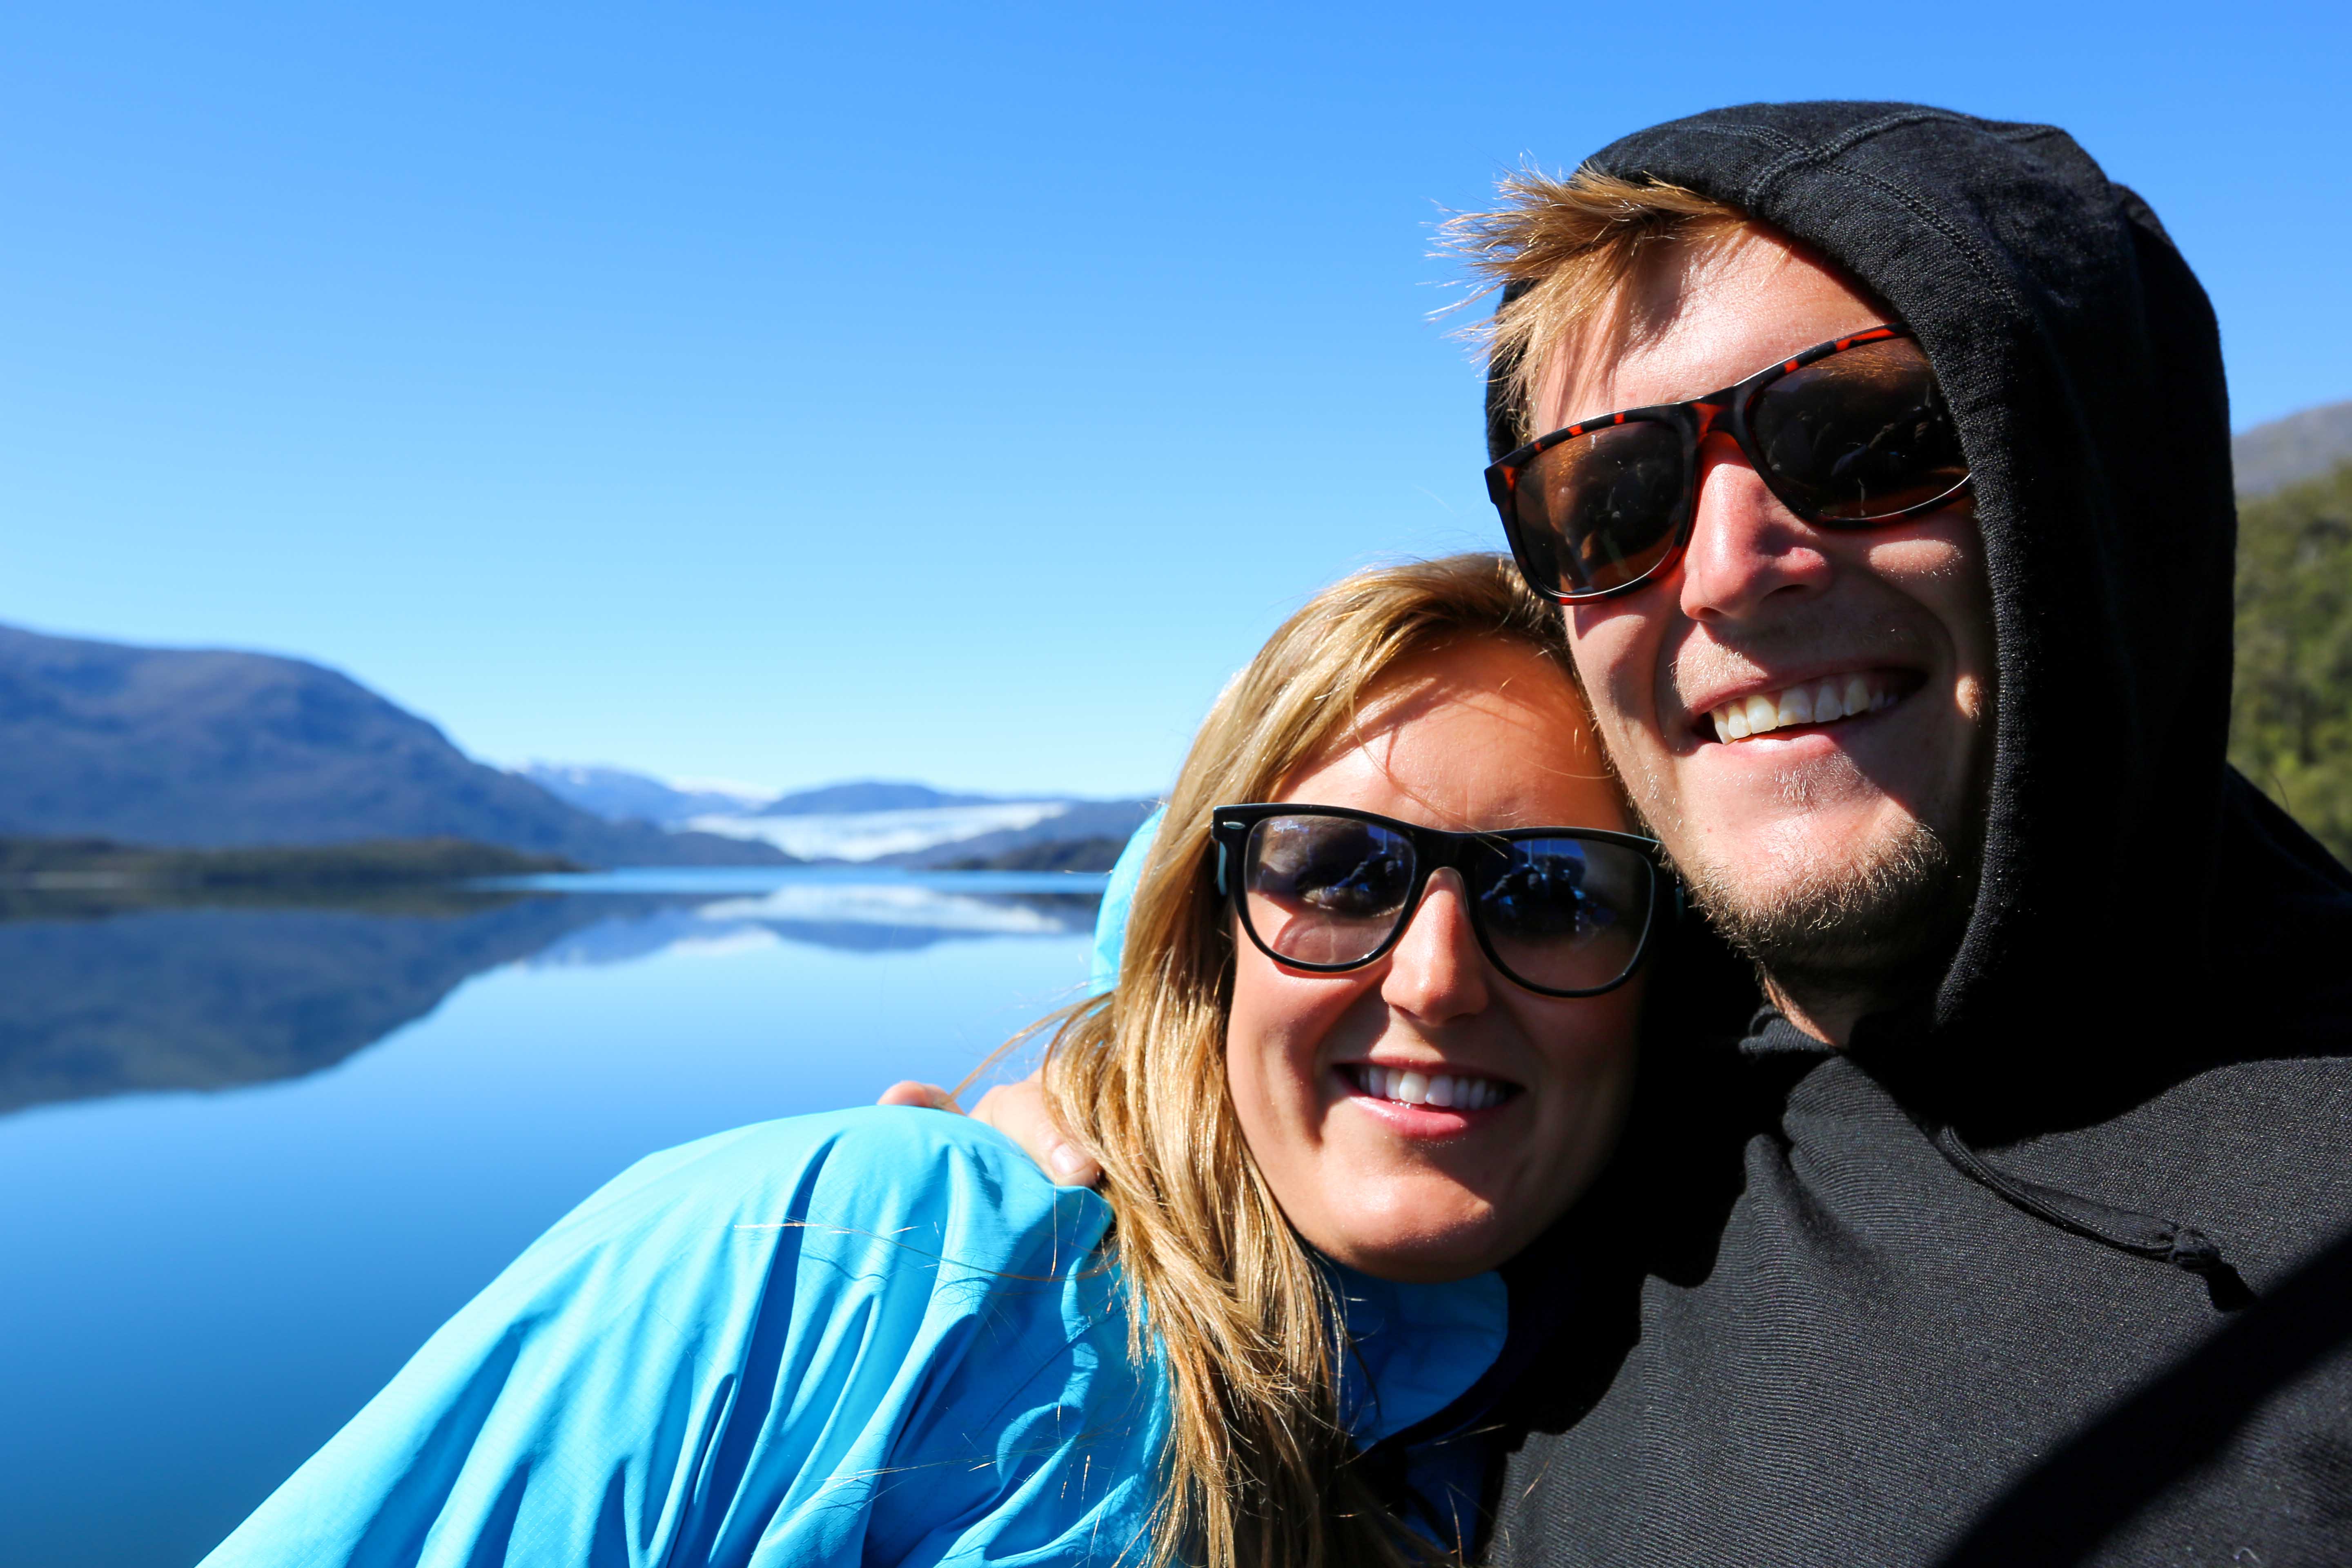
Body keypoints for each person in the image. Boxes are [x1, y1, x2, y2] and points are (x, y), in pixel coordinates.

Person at [952, 102, 2352, 1562]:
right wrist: (1118, 1093)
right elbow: (1338, 851)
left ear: (2094, 489)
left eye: (1866, 441)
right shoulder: (1609, 1067)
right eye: (1613, 499)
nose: (1728, 569)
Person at [198, 555, 1667, 1568]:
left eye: (1554, 892)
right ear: (1203, 934)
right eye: (1338, 872)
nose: (1435, 976)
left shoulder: (1659, 1383)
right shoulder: (840, 1254)